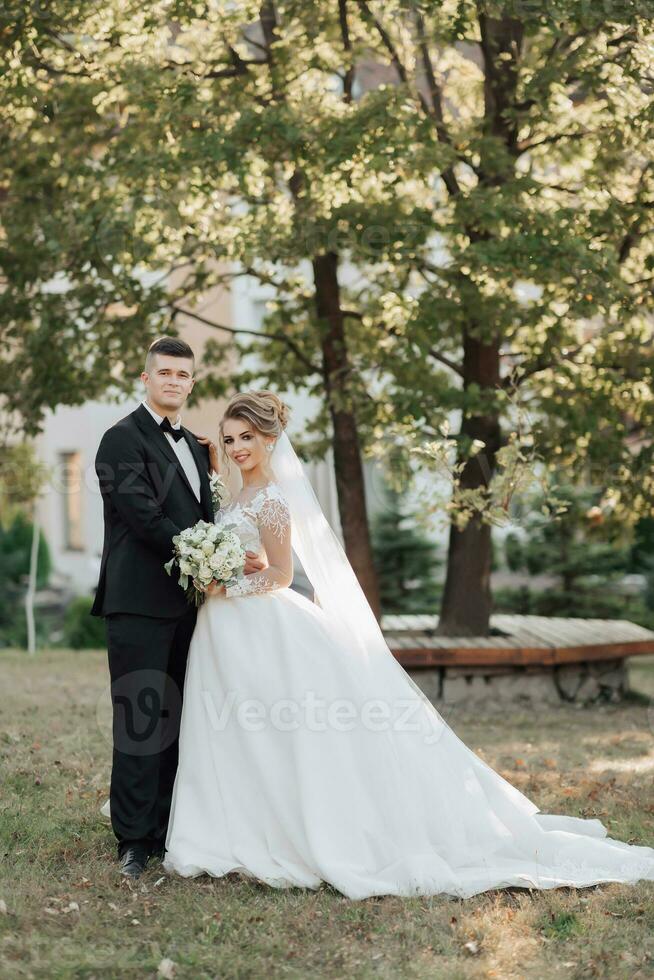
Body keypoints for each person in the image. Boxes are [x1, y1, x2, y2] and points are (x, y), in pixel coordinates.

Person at [162, 390, 654, 899]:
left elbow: (284, 576)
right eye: (229, 439)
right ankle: (234, 828)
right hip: (223, 632)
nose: (238, 446)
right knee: (240, 731)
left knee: (274, 731)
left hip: (261, 627)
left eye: (247, 437)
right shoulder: (235, 494)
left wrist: (227, 585)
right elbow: (254, 556)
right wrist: (217, 561)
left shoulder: (272, 499)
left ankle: (296, 832)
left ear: (269, 439)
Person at [92, 338, 266, 879]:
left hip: (195, 606)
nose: (173, 381)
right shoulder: (119, 440)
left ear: (192, 383)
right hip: (139, 604)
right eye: (163, 372)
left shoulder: (195, 445)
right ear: (146, 379)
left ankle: (171, 827)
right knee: (142, 721)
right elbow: (144, 518)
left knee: (183, 721)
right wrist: (210, 556)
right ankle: (135, 841)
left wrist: (222, 555)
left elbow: (210, 512)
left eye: (182, 375)